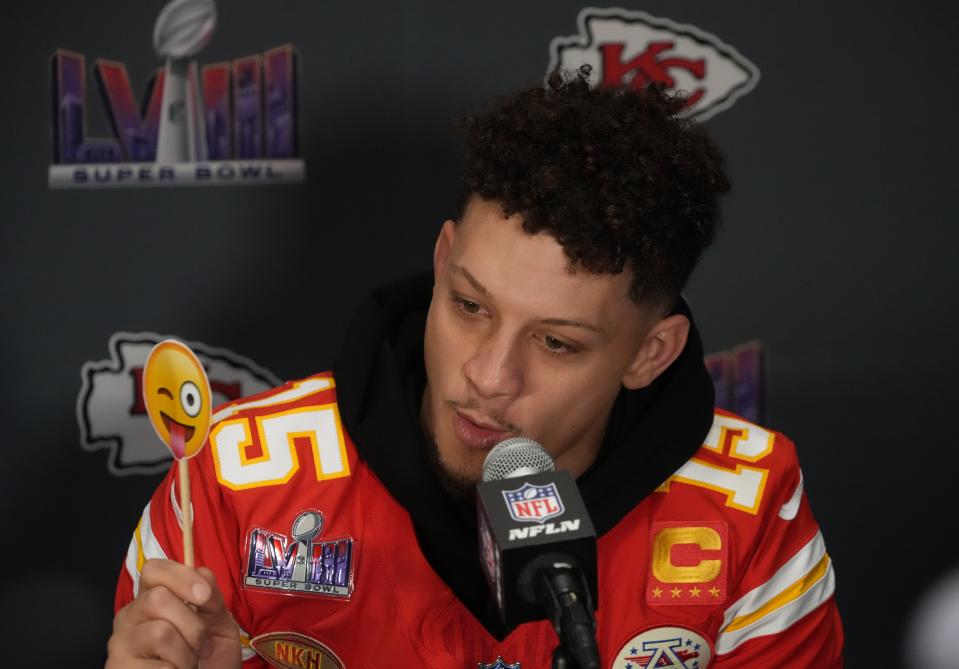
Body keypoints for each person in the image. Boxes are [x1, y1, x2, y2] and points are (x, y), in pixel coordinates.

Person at [106, 70, 843, 668]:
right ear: (440, 260)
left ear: (650, 353)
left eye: (556, 343)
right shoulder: (233, 483)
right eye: (468, 305)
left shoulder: (746, 508)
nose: (489, 377)